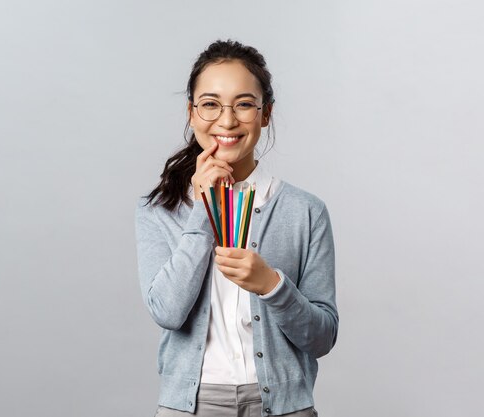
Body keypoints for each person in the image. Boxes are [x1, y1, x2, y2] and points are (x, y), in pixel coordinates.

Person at [135, 39, 338, 417]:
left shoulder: (305, 211)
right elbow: (167, 312)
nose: (227, 121)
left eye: (244, 104)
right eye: (210, 104)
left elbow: (322, 337)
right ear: (191, 113)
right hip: (190, 406)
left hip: (284, 407)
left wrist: (272, 286)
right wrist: (202, 210)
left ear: (266, 114)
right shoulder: (160, 210)